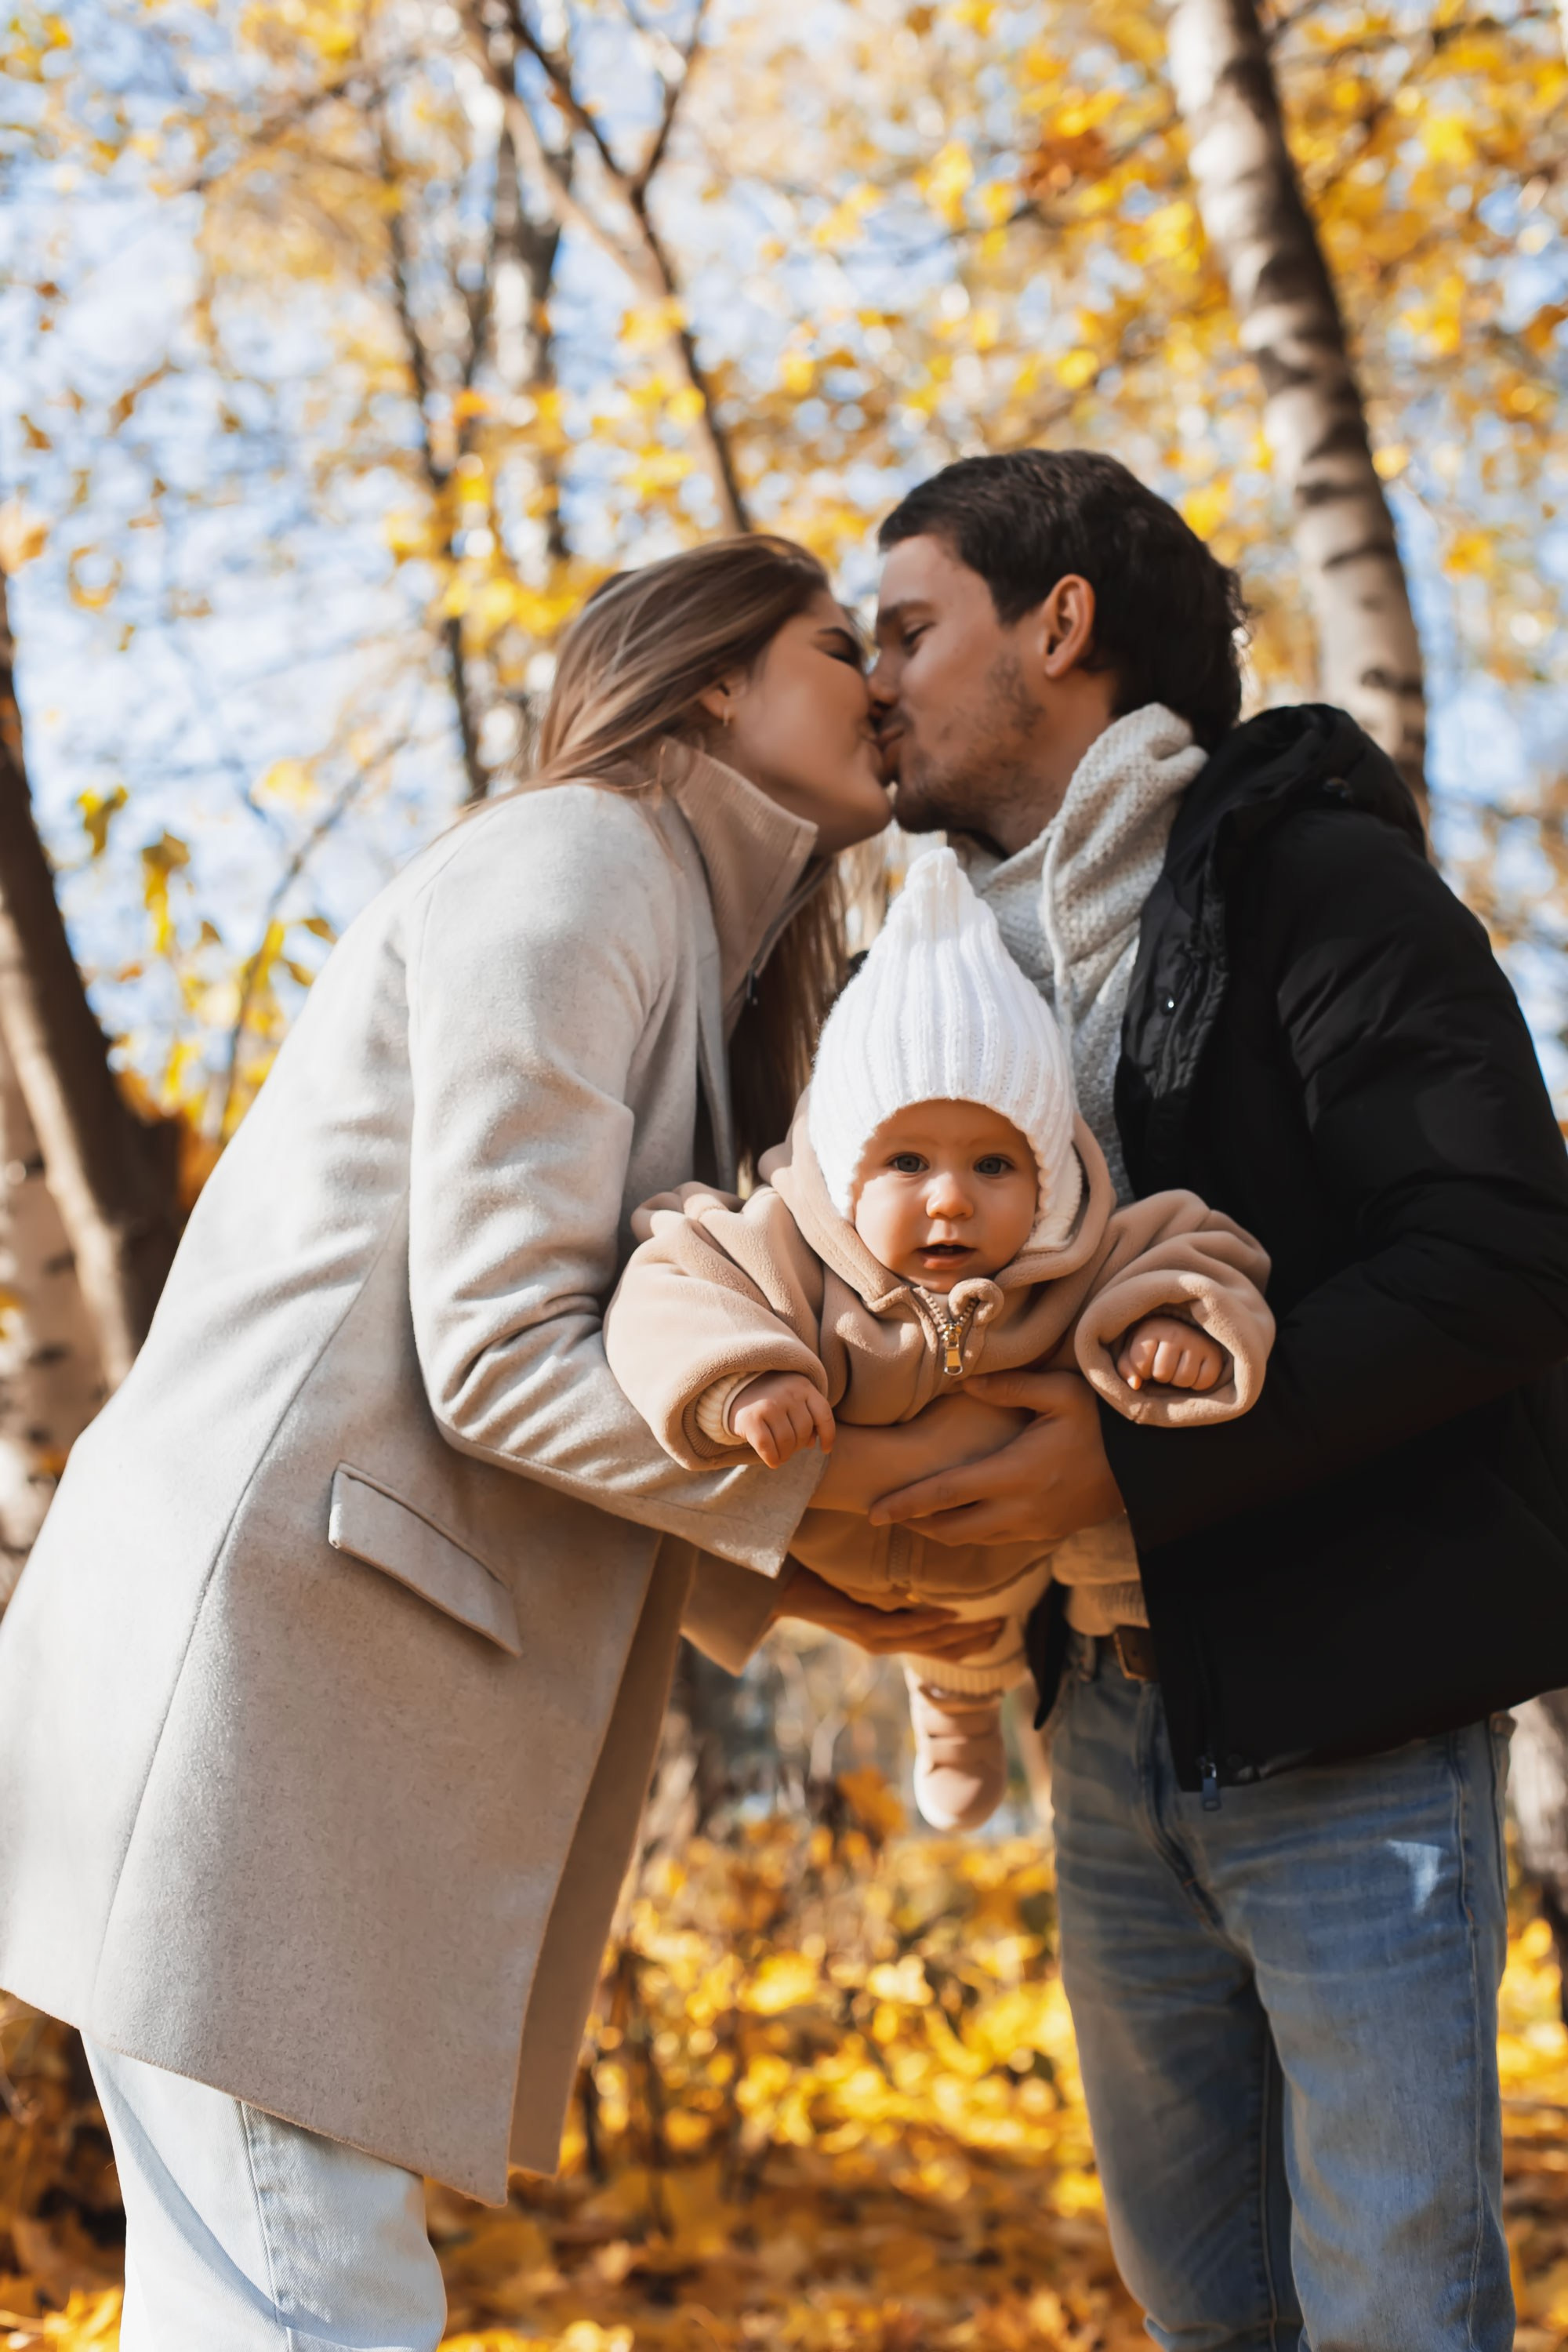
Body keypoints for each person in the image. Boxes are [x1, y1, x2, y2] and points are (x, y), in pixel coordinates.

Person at [0, 535, 1000, 2352]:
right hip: (260, 1693)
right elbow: (501, 1353)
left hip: (301, 1698)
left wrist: (867, 1596)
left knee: (266, 2287)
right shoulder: (577, 859)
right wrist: (880, 1532)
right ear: (707, 677)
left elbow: (606, 1388)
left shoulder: (678, 932)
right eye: (833, 643)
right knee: (309, 2292)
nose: (876, 686)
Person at [811, 448, 1568, 2351]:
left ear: (1058, 625)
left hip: (1352, 1726)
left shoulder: (1316, 883)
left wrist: (1133, 1473)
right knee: (1194, 2304)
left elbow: (1495, 1255)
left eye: (907, 627)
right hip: (1107, 1736)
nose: (871, 681)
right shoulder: (934, 969)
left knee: (1391, 2303)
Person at [606, 844, 1272, 1831]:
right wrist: (741, 1381)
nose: (951, 1198)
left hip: (1027, 1565)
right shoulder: (791, 1251)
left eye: (996, 1164)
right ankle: (954, 1710)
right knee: (946, 1657)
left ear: (1049, 1176)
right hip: (853, 1572)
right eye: (908, 1160)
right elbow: (665, 1284)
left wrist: (1175, 1329)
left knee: (1119, 1543)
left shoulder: (1067, 1259)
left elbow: (1199, 1249)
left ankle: (1125, 1644)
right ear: (842, 1168)